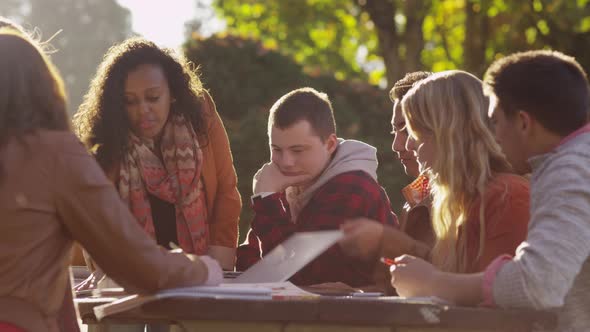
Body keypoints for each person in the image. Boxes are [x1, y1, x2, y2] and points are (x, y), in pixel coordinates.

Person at [0, 29, 222, 332]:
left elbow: (51, 268)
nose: (143, 109)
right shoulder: (57, 154)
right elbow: (134, 262)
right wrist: (204, 269)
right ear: (43, 85)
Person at [390, 51, 590, 332]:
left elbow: (535, 285)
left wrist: (432, 283)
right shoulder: (568, 165)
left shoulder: (572, 170)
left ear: (522, 122)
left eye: (494, 121)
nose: (490, 135)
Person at [74, 38, 241, 273]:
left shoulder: (201, 115)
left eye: (153, 97)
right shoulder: (106, 144)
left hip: (204, 274)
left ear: (172, 93)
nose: (143, 109)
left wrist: (220, 257)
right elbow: (92, 221)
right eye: (130, 101)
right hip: (132, 280)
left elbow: (226, 188)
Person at [236, 87, 398, 288]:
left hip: (364, 316)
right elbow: (250, 267)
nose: (286, 162)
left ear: (330, 144)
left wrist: (267, 200)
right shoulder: (292, 185)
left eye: (297, 150)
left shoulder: (352, 185)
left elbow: (305, 276)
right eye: (276, 150)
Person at [339, 72, 434, 265]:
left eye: (407, 130)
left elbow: (460, 276)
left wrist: (388, 239)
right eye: (394, 131)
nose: (398, 146)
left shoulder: (481, 196)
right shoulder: (416, 193)